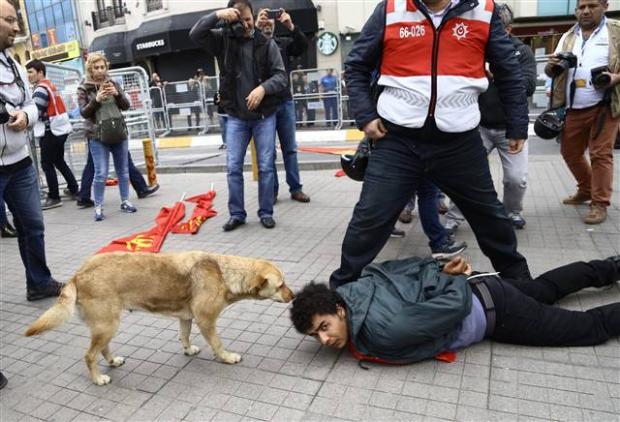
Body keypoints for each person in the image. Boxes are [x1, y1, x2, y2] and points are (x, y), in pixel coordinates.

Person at [331, 0, 531, 289]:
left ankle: (520, 282)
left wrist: (516, 125)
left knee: (490, 216)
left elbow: (509, 71)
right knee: (369, 218)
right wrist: (365, 115)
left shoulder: (483, 10)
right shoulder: (389, 9)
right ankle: (340, 290)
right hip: (397, 140)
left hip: (459, 142)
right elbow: (356, 65)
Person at [291, 255, 620, 364]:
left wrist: (455, 280)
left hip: (496, 311)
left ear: (340, 309)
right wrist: (446, 271)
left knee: (588, 328)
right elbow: (409, 266)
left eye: (323, 326)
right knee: (546, 288)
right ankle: (611, 267)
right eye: (314, 335)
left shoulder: (384, 331)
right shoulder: (358, 287)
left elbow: (453, 306)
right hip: (484, 285)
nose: (323, 340)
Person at [190, 0, 287, 231]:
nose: (245, 25)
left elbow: (281, 76)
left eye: (248, 19)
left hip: (264, 116)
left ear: (253, 17)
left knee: (265, 166)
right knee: (233, 167)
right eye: (239, 20)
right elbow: (195, 33)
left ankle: (265, 212)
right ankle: (237, 214)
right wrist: (216, 15)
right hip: (235, 116)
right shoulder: (221, 40)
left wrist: (263, 88)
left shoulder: (266, 42)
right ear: (230, 19)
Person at [444, 3, 538, 232]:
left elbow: (528, 86)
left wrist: (499, 73)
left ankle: (512, 213)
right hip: (478, 127)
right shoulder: (475, 48)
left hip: (510, 129)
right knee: (463, 174)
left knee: (516, 179)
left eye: (498, 28)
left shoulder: (522, 52)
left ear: (508, 30)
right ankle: (453, 218)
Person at [0, 0, 63, 301]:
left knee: (33, 226)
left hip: (20, 162)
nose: (16, 27)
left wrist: (26, 117)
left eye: (16, 21)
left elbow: (30, 102)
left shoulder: (12, 62)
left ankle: (39, 283)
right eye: (9, 20)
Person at [546, 0, 620, 225]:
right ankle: (586, 189)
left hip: (604, 104)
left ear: (605, 6)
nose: (586, 11)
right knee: (570, 152)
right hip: (572, 106)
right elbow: (553, 70)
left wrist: (616, 78)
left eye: (592, 5)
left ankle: (600, 203)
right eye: (581, 7)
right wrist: (552, 67)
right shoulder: (568, 36)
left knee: (600, 154)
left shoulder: (615, 31)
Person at [256, 7, 311, 204]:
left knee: (290, 149)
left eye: (271, 20)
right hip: (264, 106)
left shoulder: (283, 43)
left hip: (285, 102)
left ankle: (296, 189)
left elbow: (303, 45)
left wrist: (291, 26)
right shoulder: (253, 44)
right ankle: (272, 191)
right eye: (264, 19)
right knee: (268, 153)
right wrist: (255, 27)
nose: (268, 23)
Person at [77, 53, 137, 221]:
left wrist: (117, 94)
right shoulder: (84, 88)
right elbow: (84, 112)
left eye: (103, 67)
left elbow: (125, 106)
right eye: (96, 67)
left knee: (123, 170)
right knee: (101, 173)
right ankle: (98, 207)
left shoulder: (113, 83)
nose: (100, 71)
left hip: (118, 132)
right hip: (97, 135)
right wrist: (96, 100)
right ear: (90, 69)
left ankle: (125, 201)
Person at [25, 59, 79, 210]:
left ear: (40, 72)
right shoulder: (49, 85)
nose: (28, 75)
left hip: (50, 131)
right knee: (58, 161)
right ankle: (74, 189)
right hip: (59, 129)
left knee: (47, 164)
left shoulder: (41, 89)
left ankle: (54, 197)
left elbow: (35, 112)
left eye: (31, 72)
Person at [76, 149, 159, 208]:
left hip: (95, 134)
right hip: (112, 131)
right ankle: (141, 188)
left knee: (92, 164)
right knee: (125, 160)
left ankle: (84, 196)